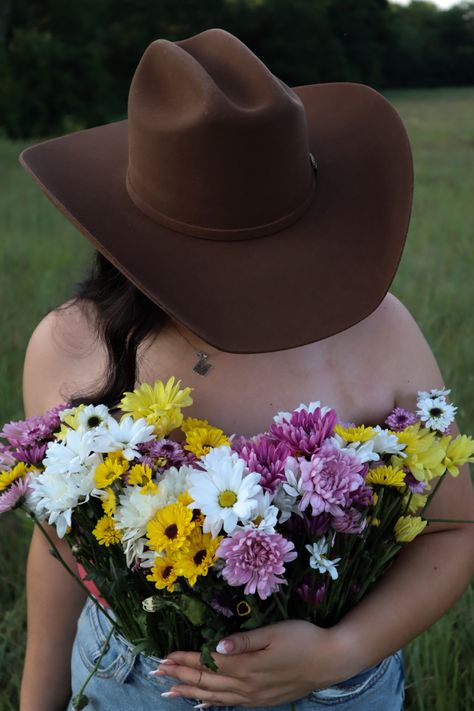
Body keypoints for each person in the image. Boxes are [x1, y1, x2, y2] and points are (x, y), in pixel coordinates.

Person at [18, 27, 474, 711]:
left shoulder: (374, 330)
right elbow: (59, 538)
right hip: (129, 686)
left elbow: (457, 525)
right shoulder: (70, 346)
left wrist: (338, 652)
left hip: (334, 687)